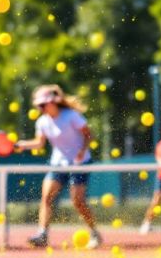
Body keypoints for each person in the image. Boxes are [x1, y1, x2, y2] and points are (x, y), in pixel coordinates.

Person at [14, 84, 102, 249]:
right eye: (38, 105)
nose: (41, 108)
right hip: (58, 162)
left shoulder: (71, 116)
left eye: (43, 104)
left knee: (78, 201)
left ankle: (94, 232)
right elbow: (39, 144)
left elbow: (88, 134)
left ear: (54, 102)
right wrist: (22, 145)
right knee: (46, 196)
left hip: (80, 163)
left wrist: (82, 151)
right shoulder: (42, 122)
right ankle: (42, 234)